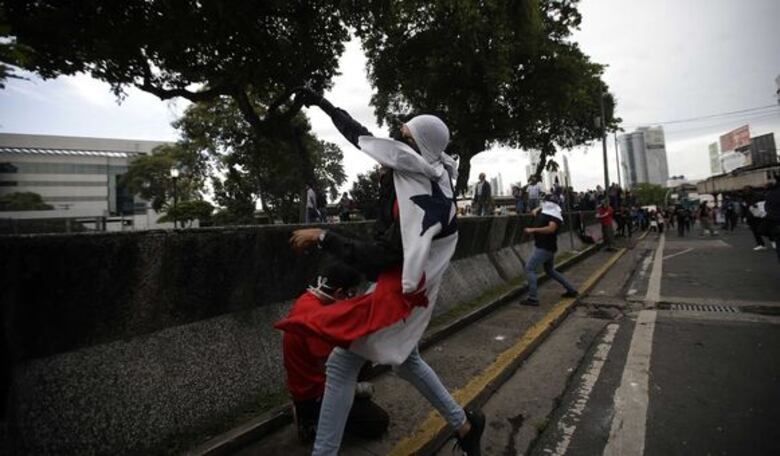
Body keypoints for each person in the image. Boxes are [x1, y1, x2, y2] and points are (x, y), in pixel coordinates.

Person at [278, 89, 485, 456]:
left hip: (403, 290)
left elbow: (380, 256)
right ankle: (464, 425)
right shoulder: (431, 171)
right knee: (407, 361)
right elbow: (361, 136)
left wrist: (323, 236)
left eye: (402, 136)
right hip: (412, 286)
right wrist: (324, 104)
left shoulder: (413, 192)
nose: (393, 141)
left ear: (415, 148)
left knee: (341, 364)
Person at [282, 262, 389, 444]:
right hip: (314, 392)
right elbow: (329, 369)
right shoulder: (319, 317)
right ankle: (312, 419)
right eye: (351, 294)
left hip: (307, 383)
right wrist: (356, 389)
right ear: (339, 293)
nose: (351, 299)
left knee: (363, 361)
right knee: (378, 422)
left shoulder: (309, 299)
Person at [522, 199, 578, 306]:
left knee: (529, 268)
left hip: (544, 248)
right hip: (547, 247)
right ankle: (571, 290)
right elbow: (534, 212)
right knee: (550, 270)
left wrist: (533, 230)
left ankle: (533, 298)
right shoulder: (546, 213)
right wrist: (540, 207)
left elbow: (551, 229)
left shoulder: (554, 217)